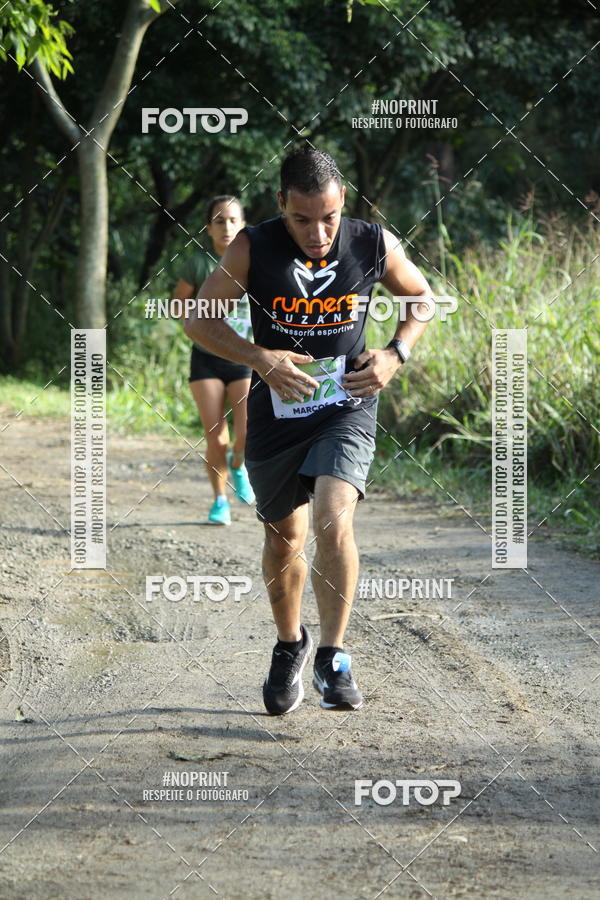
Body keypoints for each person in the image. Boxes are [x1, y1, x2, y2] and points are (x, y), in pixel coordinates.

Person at [184, 148, 433, 712]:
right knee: (283, 539)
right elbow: (199, 319)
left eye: (329, 217)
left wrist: (396, 352)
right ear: (280, 206)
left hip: (346, 404)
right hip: (276, 412)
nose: (319, 233)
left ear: (343, 201)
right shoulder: (253, 246)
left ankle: (333, 654)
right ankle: (289, 643)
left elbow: (421, 298)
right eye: (302, 219)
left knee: (332, 515)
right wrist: (260, 358)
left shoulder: (372, 242)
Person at [174, 195, 255, 526]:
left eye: (233, 220)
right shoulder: (198, 263)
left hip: (244, 357)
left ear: (243, 225)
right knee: (215, 436)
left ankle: (239, 464)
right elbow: (178, 305)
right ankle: (220, 500)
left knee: (247, 433)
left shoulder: (255, 262)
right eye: (219, 221)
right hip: (206, 360)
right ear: (208, 228)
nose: (226, 227)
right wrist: (199, 323)